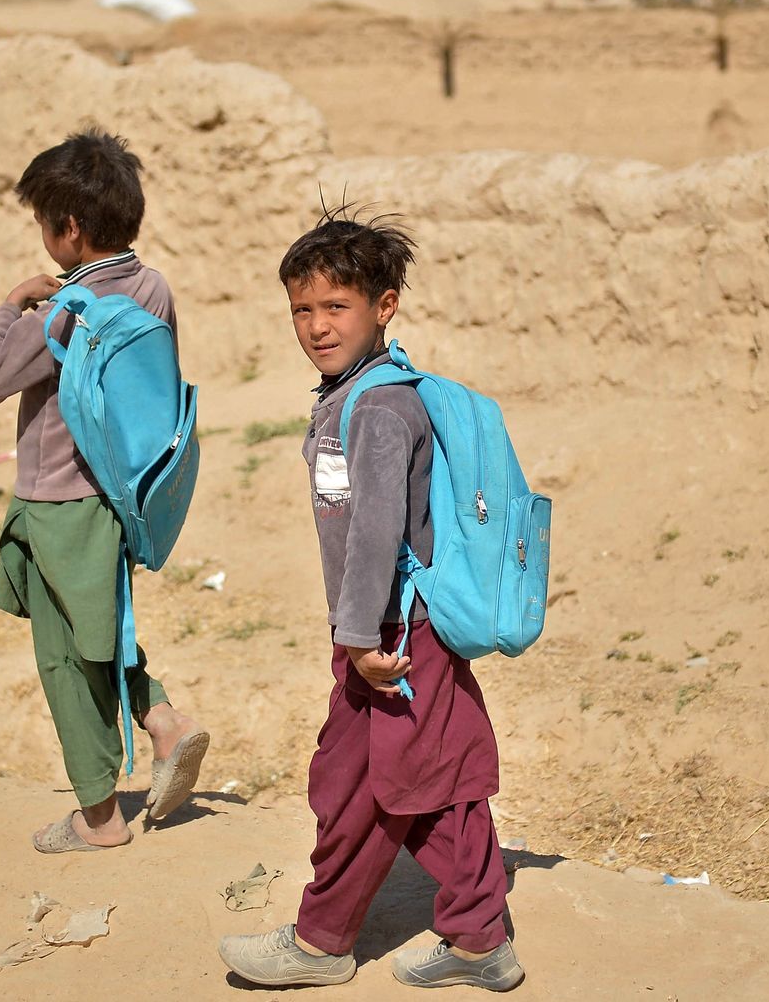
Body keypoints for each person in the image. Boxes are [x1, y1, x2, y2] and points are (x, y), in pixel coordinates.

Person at [217, 209, 523, 991]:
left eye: (336, 307)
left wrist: (357, 639)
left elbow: (376, 535)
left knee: (357, 786)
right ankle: (480, 935)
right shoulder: (351, 394)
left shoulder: (381, 409)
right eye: (302, 309)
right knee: (425, 782)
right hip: (388, 629)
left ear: (384, 306)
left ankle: (321, 944)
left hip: (390, 634)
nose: (317, 326)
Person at [0, 129, 209, 852]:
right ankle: (163, 721)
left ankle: (99, 817)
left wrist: (13, 305)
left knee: (65, 657)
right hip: (121, 500)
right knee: (101, 629)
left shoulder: (66, 310)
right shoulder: (151, 287)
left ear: (68, 230)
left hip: (57, 505)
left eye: (44, 221)